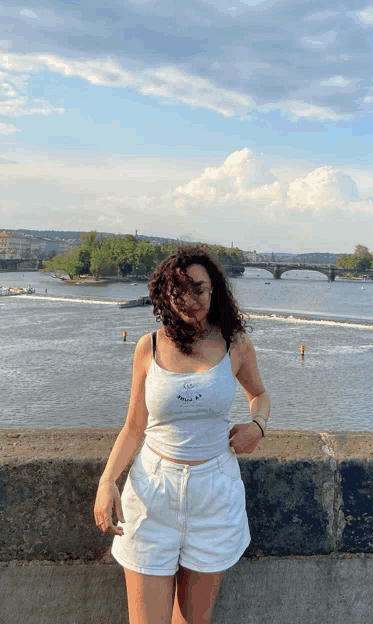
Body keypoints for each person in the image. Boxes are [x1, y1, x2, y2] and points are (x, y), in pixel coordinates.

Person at [94, 244, 270, 624]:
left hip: (214, 493)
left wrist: (258, 425)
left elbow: (259, 395)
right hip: (153, 493)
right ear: (164, 296)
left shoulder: (235, 344)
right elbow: (134, 426)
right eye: (179, 291)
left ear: (214, 290)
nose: (190, 300)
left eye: (199, 289)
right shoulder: (149, 347)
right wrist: (107, 480)